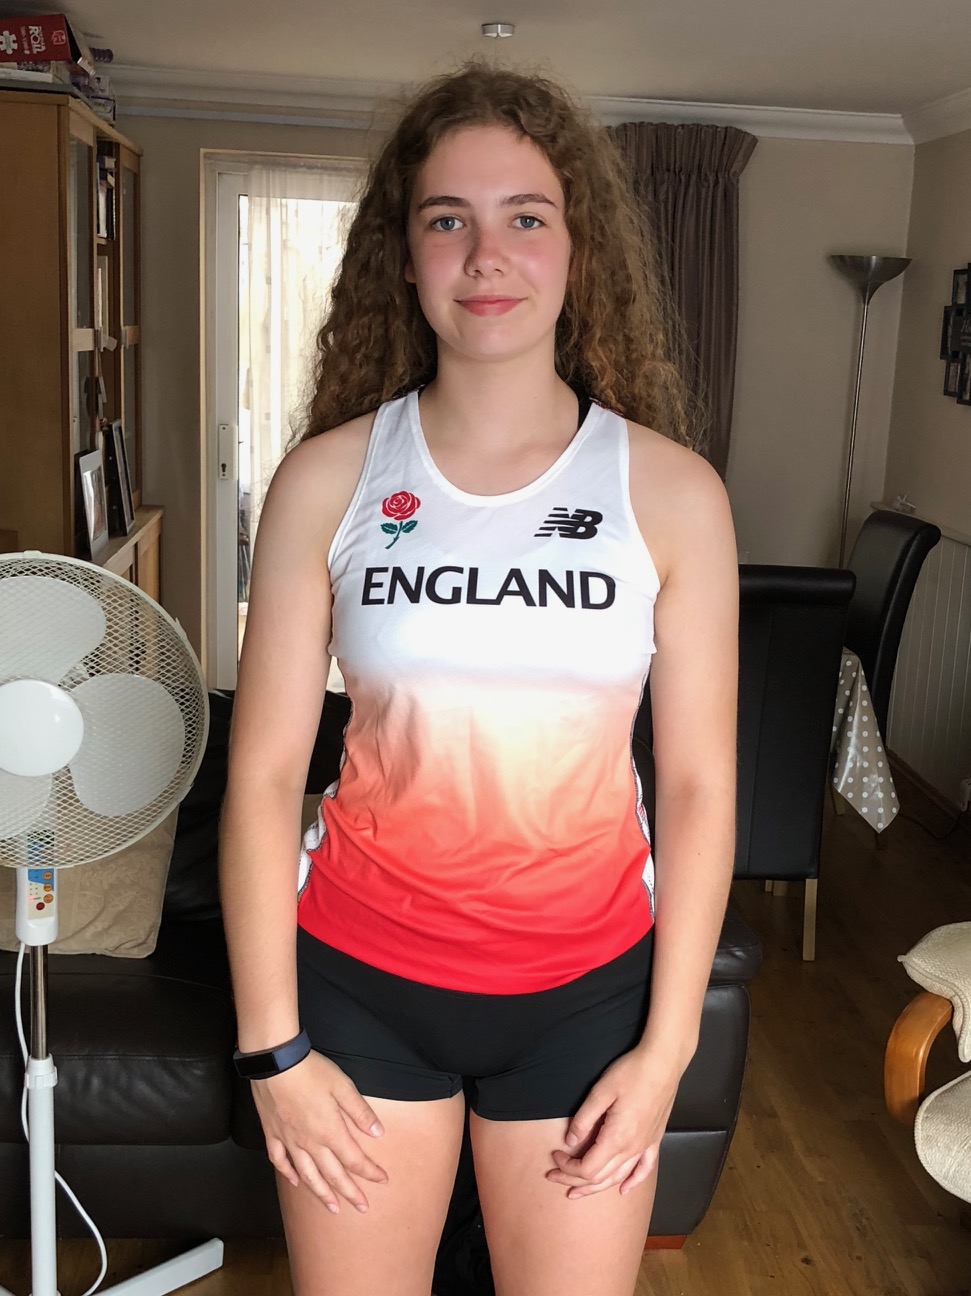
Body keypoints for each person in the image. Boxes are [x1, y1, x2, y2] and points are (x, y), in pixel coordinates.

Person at [219, 59, 739, 1296]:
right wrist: (271, 1051)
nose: (485, 255)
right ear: (403, 256)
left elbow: (698, 785)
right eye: (447, 219)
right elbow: (263, 778)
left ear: (576, 250)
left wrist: (665, 1050)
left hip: (584, 1001)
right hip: (358, 986)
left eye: (525, 217)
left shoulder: (671, 493)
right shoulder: (326, 480)